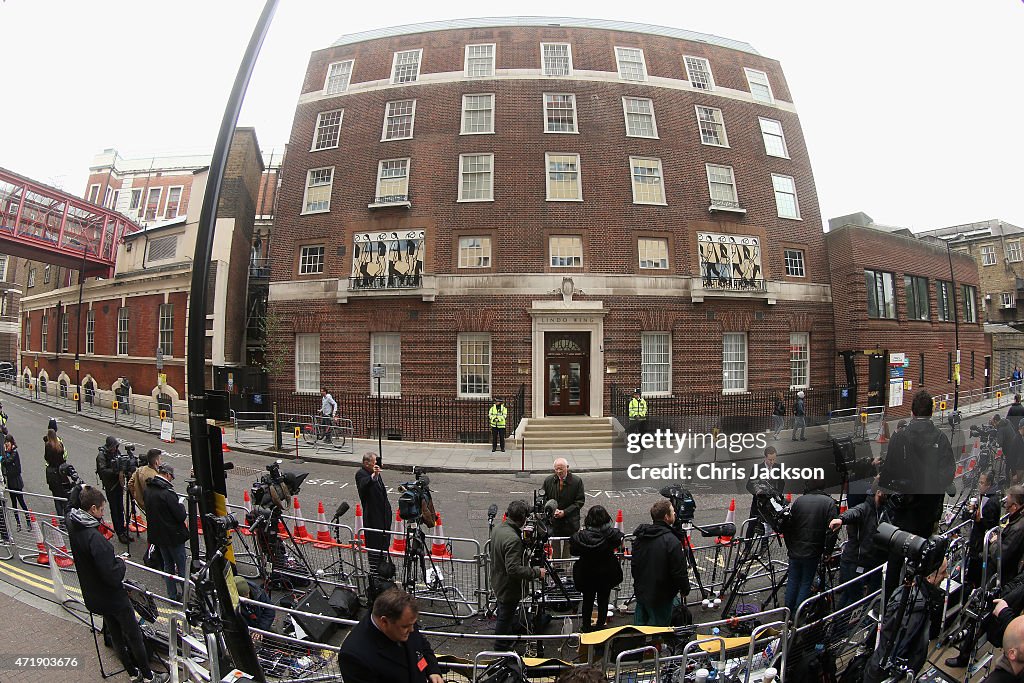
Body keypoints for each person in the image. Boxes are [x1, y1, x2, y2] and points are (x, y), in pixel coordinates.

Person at [67, 487, 168, 683]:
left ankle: (132, 672)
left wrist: (78, 488)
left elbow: (69, 506)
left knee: (115, 634)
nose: (103, 513)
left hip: (93, 595)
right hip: (112, 597)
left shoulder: (73, 523)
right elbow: (112, 575)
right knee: (133, 635)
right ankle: (148, 676)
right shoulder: (95, 538)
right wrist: (120, 562)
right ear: (93, 508)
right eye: (102, 509)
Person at [878, 389, 955, 597]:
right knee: (924, 558)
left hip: (903, 512)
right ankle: (919, 600)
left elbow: (888, 473)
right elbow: (948, 471)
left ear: (912, 412)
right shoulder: (940, 437)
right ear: (931, 412)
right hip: (929, 512)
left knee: (896, 558)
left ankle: (892, 603)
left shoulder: (900, 437)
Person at [863, 558, 948, 683]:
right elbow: (895, 648)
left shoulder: (921, 598)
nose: (946, 575)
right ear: (929, 577)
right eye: (943, 572)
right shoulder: (914, 609)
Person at [338, 588, 443, 683]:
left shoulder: (405, 619)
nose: (412, 630)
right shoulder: (354, 657)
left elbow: (421, 646)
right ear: (384, 621)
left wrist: (433, 670)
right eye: (406, 626)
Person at [489, 500, 545, 650]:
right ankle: (501, 647)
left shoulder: (498, 528)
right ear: (522, 518)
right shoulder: (513, 539)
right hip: (508, 586)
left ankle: (506, 637)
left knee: (503, 612)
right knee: (505, 615)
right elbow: (513, 569)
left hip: (497, 580)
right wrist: (536, 572)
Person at [630, 500, 690, 626]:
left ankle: (641, 644)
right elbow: (679, 571)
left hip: (642, 591)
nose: (675, 515)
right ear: (666, 517)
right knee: (659, 628)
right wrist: (685, 588)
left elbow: (635, 565)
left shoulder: (641, 537)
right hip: (661, 596)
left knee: (640, 626)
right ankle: (656, 644)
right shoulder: (672, 541)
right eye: (673, 512)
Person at [783, 482, 838, 618]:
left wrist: (790, 546)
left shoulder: (799, 501)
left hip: (795, 549)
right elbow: (832, 531)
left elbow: (790, 525)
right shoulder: (829, 503)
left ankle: (786, 613)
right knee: (806, 582)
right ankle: (798, 614)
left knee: (793, 580)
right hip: (813, 550)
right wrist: (828, 551)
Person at [829, 483, 886, 610]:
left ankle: (835, 625)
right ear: (878, 492)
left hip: (860, 561)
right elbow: (854, 512)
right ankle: (844, 626)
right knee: (855, 599)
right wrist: (841, 519)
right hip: (854, 561)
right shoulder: (865, 508)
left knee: (849, 595)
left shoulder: (880, 510)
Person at [569, 505, 623, 632]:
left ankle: (586, 626)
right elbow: (617, 542)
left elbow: (574, 551)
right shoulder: (611, 536)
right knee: (603, 601)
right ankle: (600, 626)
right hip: (605, 574)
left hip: (587, 574)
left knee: (587, 601)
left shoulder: (581, 537)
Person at [143, 464, 188, 601]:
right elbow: (180, 516)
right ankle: (187, 597)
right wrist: (180, 505)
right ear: (168, 475)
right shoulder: (167, 493)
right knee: (181, 567)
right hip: (174, 536)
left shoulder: (148, 489)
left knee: (167, 565)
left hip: (159, 536)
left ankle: (172, 595)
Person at [355, 452, 392, 575]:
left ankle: (383, 571)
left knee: (384, 545)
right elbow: (364, 484)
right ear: (366, 463)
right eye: (375, 462)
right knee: (375, 548)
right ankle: (375, 573)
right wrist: (374, 476)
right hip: (373, 518)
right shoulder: (361, 474)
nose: (378, 464)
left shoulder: (375, 472)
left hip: (384, 516)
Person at [542, 457, 585, 559]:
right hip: (554, 522)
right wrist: (551, 510)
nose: (558, 471)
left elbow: (579, 501)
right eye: (556, 469)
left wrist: (565, 512)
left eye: (561, 469)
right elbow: (543, 499)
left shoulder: (577, 481)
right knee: (555, 548)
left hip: (570, 522)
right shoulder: (549, 481)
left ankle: (566, 569)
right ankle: (556, 569)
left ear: (567, 468)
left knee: (568, 549)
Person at [96, 435, 130, 544]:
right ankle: (119, 532)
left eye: (116, 446)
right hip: (110, 486)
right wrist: (115, 470)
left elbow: (121, 462)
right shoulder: (101, 456)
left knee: (120, 507)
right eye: (113, 447)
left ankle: (123, 528)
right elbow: (102, 470)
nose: (115, 449)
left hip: (118, 484)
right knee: (114, 509)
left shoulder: (117, 452)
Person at [746, 446, 783, 538]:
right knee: (752, 524)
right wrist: (757, 492)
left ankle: (764, 546)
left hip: (771, 503)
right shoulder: (757, 468)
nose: (772, 462)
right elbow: (749, 485)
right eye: (770, 459)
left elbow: (782, 483)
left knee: (768, 525)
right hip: (758, 502)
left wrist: (777, 494)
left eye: (774, 459)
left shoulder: (778, 468)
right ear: (765, 457)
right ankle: (747, 548)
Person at [2, 434, 30, 532]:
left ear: (12, 443)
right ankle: (18, 523)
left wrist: (4, 457)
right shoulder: (8, 453)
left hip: (16, 482)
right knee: (14, 504)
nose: (6, 444)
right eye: (5, 443)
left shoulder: (14, 453)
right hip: (10, 482)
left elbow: (8, 462)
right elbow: (5, 463)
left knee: (22, 502)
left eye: (8, 443)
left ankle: (28, 521)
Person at [43, 428, 72, 520]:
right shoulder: (60, 445)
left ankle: (61, 519)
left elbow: (46, 457)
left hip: (52, 473)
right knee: (63, 496)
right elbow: (64, 457)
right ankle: (67, 517)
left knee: (56, 498)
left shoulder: (48, 446)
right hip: (61, 473)